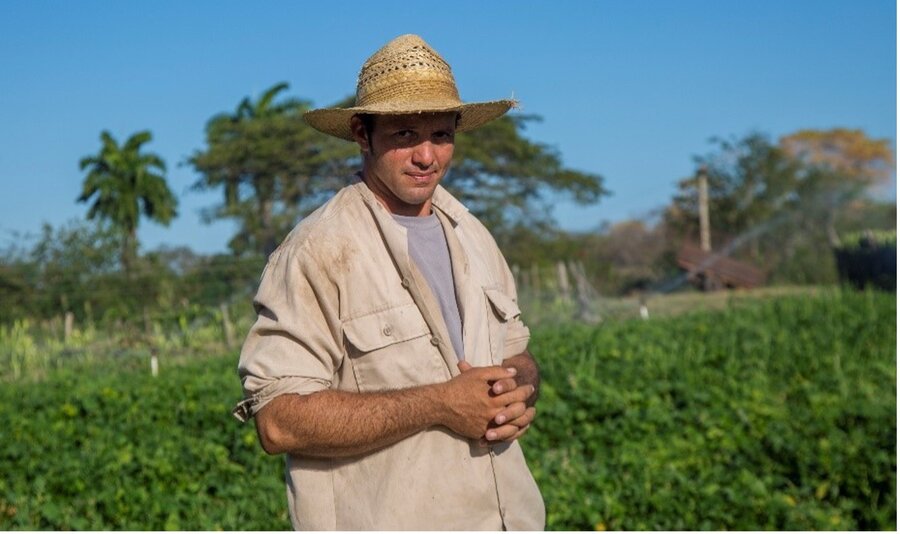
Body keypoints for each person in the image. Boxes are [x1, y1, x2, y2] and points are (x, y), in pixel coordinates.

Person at [232, 34, 545, 530]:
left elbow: (517, 353)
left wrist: (520, 391)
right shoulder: (317, 252)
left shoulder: (473, 234)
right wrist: (440, 403)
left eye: (441, 134)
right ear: (362, 133)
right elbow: (279, 419)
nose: (427, 156)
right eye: (404, 136)